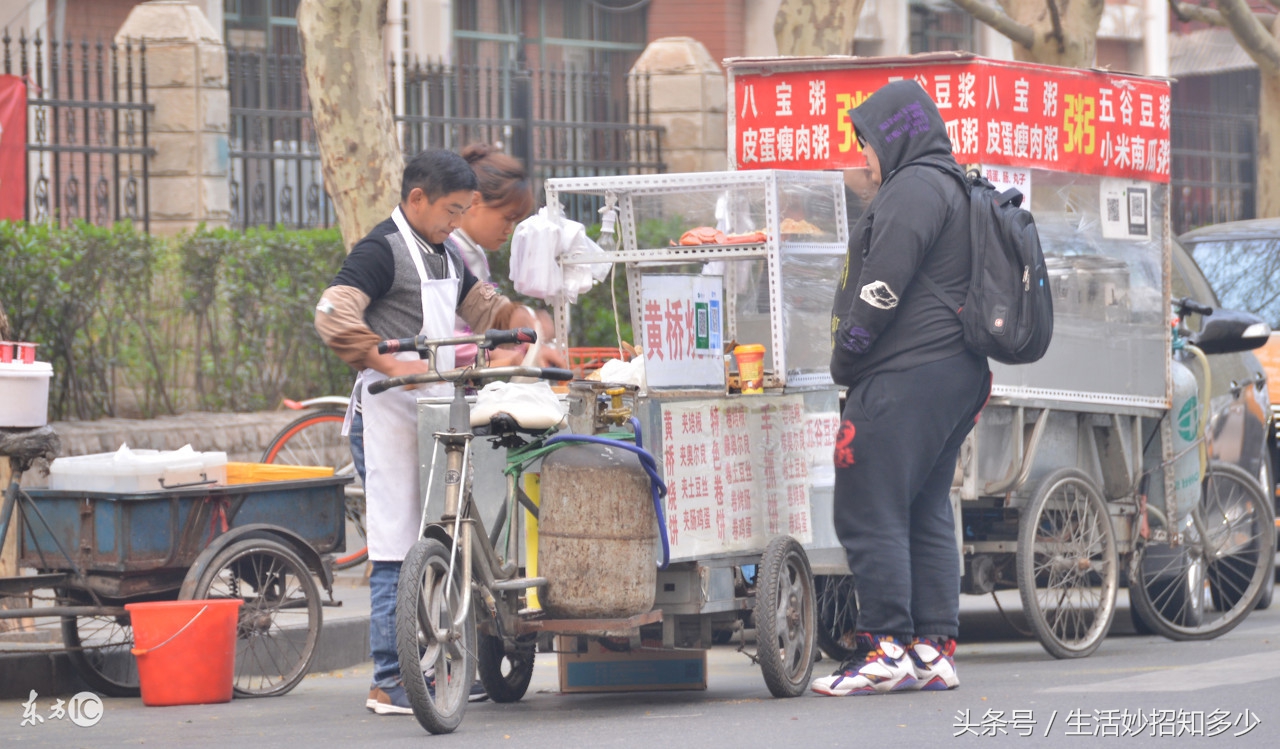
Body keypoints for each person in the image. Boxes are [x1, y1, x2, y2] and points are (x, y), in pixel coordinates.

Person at [313, 149, 554, 715]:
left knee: (443, 544)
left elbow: (483, 304)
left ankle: (431, 663)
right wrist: (385, 361)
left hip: (436, 413)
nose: (455, 221)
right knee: (396, 548)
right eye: (451, 210)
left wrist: (520, 324)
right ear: (416, 199)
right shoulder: (382, 250)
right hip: (388, 419)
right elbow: (332, 310)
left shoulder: (442, 253)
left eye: (463, 210)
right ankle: (389, 678)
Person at [811, 80, 991, 697]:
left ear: (894, 135)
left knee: (868, 505)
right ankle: (931, 649)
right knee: (923, 507)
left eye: (867, 143)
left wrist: (847, 354)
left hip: (906, 374)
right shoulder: (956, 185)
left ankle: (884, 645)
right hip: (957, 374)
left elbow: (881, 287)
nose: (864, 158)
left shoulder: (914, 187)